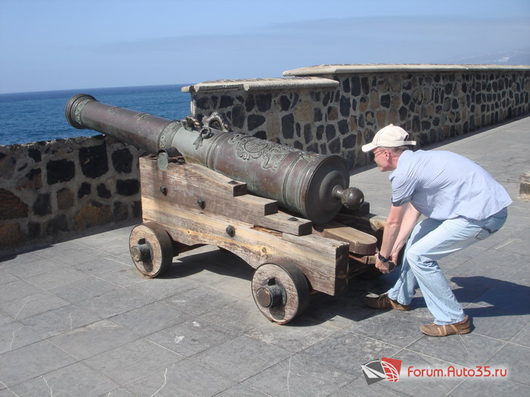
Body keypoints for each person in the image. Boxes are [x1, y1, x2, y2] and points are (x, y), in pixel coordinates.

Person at [361, 124, 512, 337]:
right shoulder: (417, 161)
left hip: (483, 215)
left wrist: (383, 257)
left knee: (419, 256)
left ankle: (454, 319)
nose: (372, 158)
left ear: (386, 153)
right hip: (470, 208)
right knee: (416, 239)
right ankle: (399, 297)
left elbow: (393, 222)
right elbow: (413, 211)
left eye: (373, 153)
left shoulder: (404, 173)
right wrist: (396, 248)